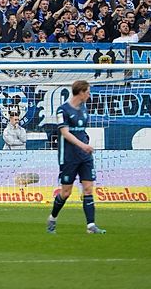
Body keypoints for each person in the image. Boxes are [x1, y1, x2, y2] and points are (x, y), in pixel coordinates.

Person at [47, 80, 105, 235]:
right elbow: (65, 133)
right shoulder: (62, 110)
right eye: (87, 92)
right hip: (69, 157)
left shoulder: (84, 109)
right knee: (66, 192)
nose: (89, 94)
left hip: (84, 156)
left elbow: (81, 131)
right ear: (80, 92)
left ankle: (91, 226)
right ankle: (52, 218)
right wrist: (83, 145)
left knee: (88, 189)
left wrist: (86, 145)